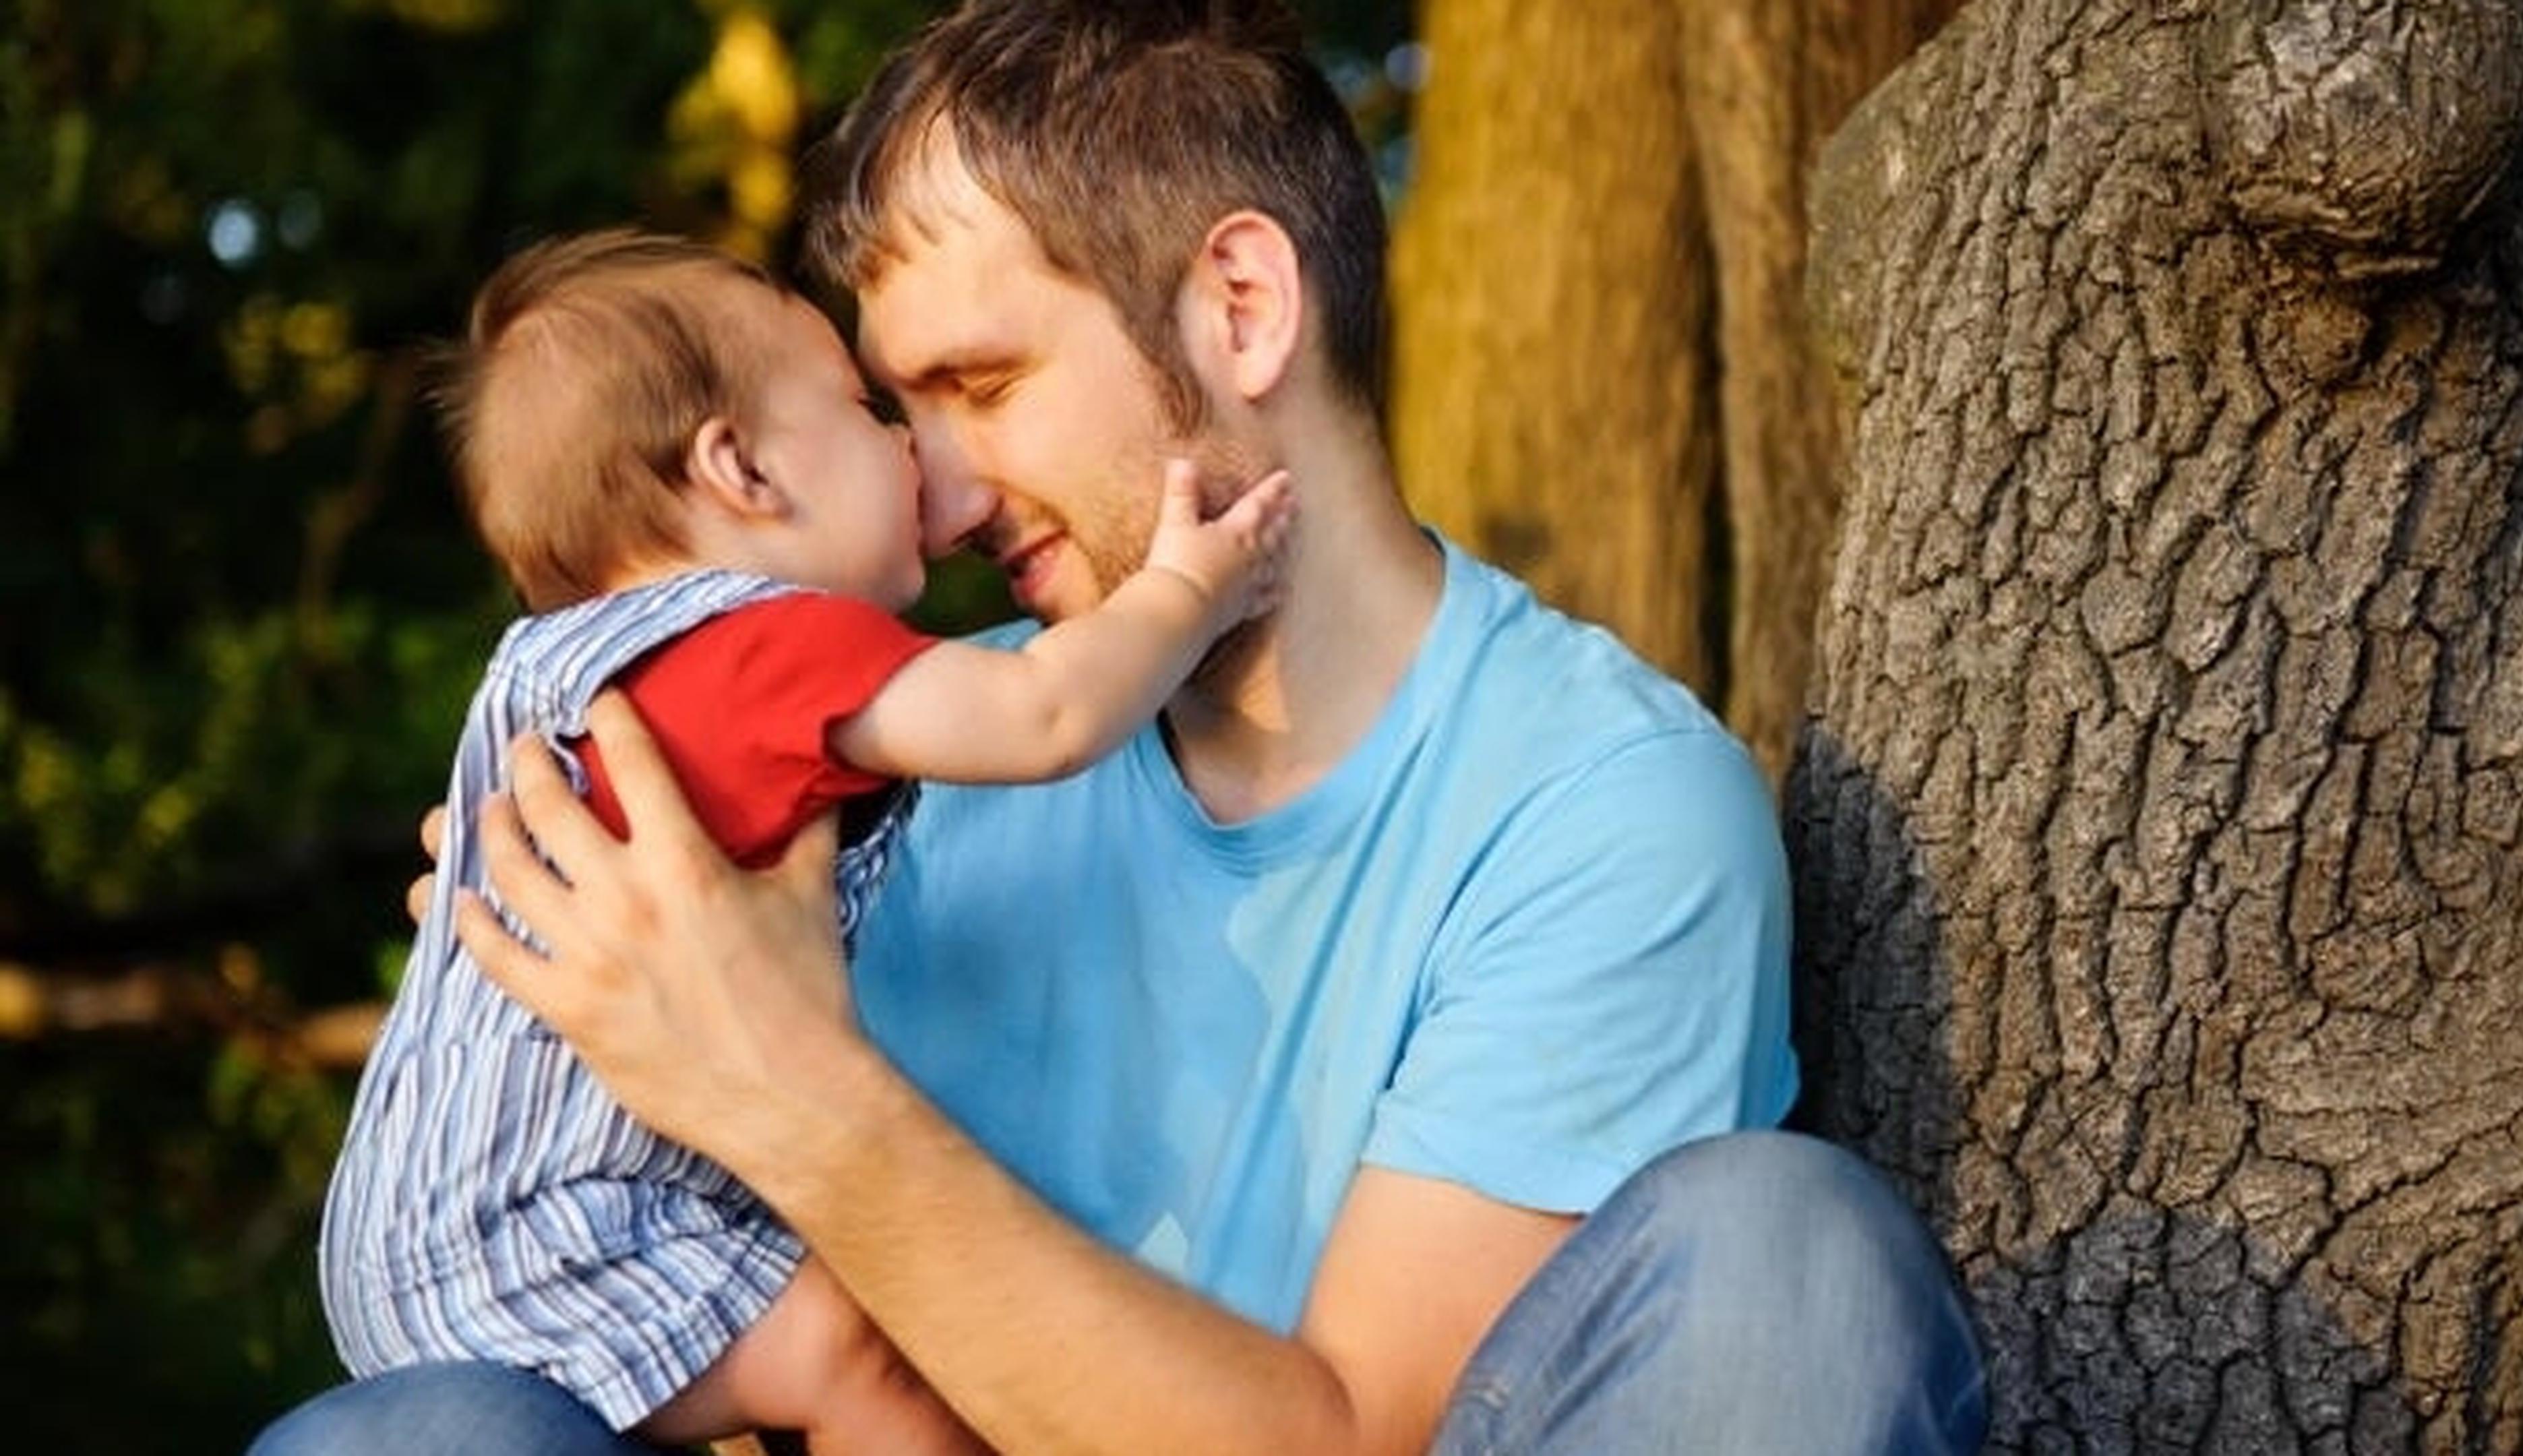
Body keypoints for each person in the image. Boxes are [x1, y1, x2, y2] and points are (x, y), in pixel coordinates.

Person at [255, 2, 1990, 1452]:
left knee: (1787, 1270)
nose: (925, 492)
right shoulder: (906, 764)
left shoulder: (1601, 812)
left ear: (1242, 306)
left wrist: (796, 1091)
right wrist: (559, 959)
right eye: (889, 408)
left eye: (979, 388)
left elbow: (1349, 1436)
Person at [312, 227, 1290, 1455]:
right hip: (551, 1229)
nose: (909, 448)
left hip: (418, 1240)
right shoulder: (762, 645)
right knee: (860, 1356)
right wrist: (1192, 585)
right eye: (866, 407)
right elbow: (1046, 713)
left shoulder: (573, 673)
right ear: (743, 471)